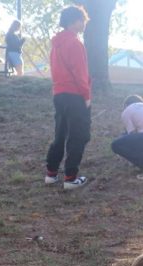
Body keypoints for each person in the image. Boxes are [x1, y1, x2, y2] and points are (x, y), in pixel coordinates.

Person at [45, 6, 91, 190]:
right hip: (75, 95)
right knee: (79, 135)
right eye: (83, 20)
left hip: (59, 94)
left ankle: (51, 173)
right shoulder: (75, 43)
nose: (85, 23)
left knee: (60, 134)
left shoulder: (56, 45)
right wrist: (86, 96)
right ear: (75, 21)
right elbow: (80, 73)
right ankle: (71, 178)